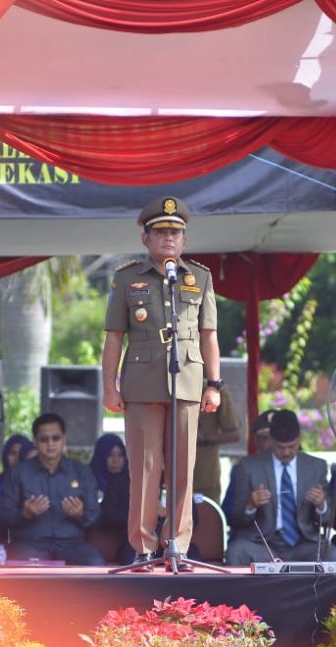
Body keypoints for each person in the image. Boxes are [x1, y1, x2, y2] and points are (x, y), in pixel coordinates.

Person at [102, 196, 223, 571]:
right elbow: (113, 337)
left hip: (186, 381)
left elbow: (209, 335)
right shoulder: (126, 278)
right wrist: (110, 385)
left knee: (183, 469)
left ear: (185, 240)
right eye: (161, 232)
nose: (168, 239)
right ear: (146, 239)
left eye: (175, 232)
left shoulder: (199, 278)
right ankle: (143, 546)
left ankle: (178, 545)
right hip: (140, 385)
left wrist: (214, 384)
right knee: (145, 468)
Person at [224, 410, 336, 565]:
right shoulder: (249, 467)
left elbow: (329, 519)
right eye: (280, 447)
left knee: (335, 557)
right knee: (237, 552)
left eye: (292, 446)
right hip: (262, 543)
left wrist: (321, 505)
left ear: (299, 439)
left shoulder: (316, 467)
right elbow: (234, 518)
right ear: (271, 441)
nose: (287, 452)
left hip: (304, 543)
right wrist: (251, 504)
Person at [0, 413, 104, 566]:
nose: (50, 443)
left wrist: (81, 514)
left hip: (72, 545)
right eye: (44, 439)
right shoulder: (18, 473)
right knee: (22, 567)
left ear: (64, 439)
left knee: (94, 562)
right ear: (35, 441)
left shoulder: (81, 472)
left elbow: (95, 515)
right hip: (30, 545)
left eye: (56, 438)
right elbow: (4, 516)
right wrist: (25, 514)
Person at [221, 410, 276, 519]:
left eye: (276, 438)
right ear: (256, 440)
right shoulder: (242, 469)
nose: (271, 444)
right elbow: (227, 514)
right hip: (254, 534)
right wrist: (250, 505)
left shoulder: (299, 469)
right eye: (265, 438)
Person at [86, 433, 131, 563]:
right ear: (101, 457)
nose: (116, 460)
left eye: (120, 455)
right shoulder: (88, 480)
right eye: (110, 455)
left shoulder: (131, 483)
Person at [0, 434, 34, 544]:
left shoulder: (33, 483)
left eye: (20, 453)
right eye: (12, 453)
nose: (16, 458)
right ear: (5, 455)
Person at [194, 386, 241, 501]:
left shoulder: (214, 390)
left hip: (204, 477)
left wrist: (205, 439)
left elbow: (235, 434)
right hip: (169, 475)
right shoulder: (169, 383)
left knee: (208, 515)